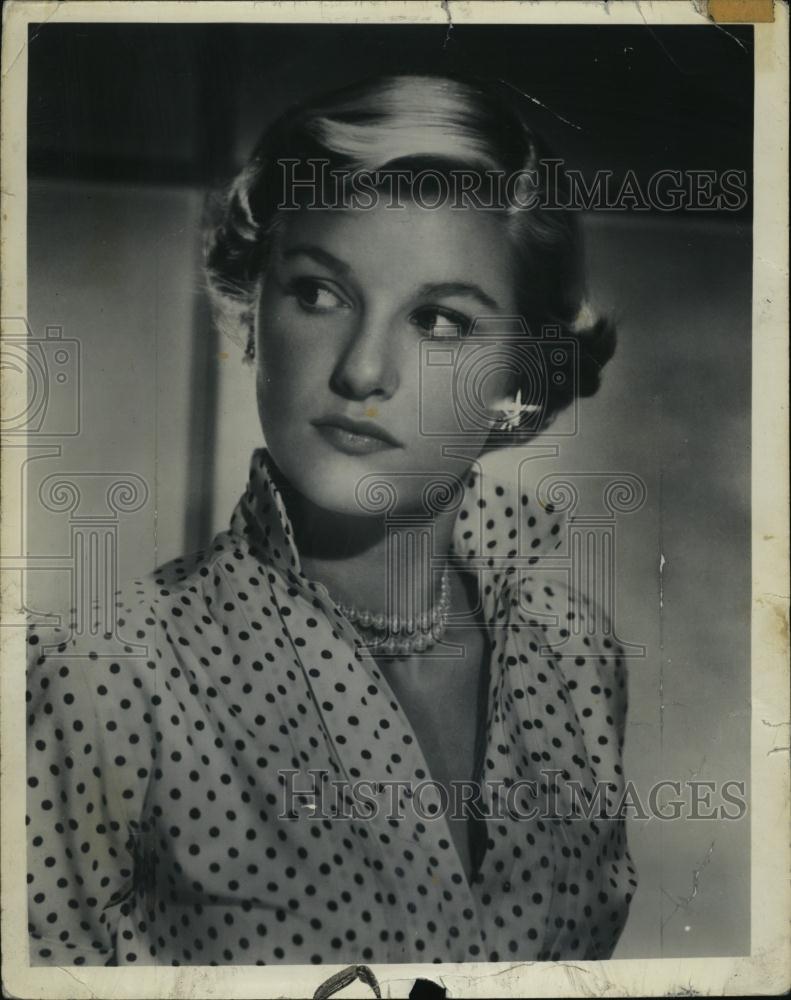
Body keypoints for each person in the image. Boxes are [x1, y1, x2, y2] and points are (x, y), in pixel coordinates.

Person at [26, 73, 637, 967]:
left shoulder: (574, 654)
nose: (361, 370)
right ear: (252, 308)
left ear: (517, 376)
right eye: (318, 293)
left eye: (436, 319)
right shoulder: (100, 678)